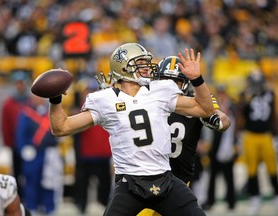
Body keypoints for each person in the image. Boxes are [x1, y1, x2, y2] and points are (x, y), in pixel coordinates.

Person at [47, 42, 218, 216]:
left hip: (166, 179)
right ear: (123, 68)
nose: (146, 67)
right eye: (140, 62)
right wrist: (55, 99)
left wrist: (197, 80)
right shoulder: (105, 100)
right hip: (129, 184)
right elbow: (61, 127)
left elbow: (205, 109)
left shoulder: (161, 90)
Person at [137, 56, 231, 216]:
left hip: (178, 179)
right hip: (148, 177)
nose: (168, 85)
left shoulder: (196, 101)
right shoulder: (146, 97)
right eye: (165, 79)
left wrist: (213, 119)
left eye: (175, 81)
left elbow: (224, 120)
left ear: (186, 83)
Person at [237, 69, 278, 215]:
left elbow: (273, 115)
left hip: (266, 136)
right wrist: (239, 136)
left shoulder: (270, 94)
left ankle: (276, 196)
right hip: (250, 136)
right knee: (252, 169)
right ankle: (255, 198)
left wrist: (275, 135)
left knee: (272, 168)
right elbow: (240, 117)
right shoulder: (244, 95)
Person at [16, 94, 63, 216]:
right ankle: (32, 208)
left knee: (49, 182)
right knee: (32, 181)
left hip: (49, 152)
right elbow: (21, 134)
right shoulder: (27, 113)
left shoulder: (51, 112)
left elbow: (59, 128)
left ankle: (49, 208)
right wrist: (24, 148)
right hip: (33, 153)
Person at [73, 78, 113, 214]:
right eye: (86, 91)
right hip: (86, 156)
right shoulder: (79, 110)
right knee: (83, 187)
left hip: (103, 155)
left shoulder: (106, 107)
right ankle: (81, 207)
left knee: (104, 188)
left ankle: (104, 207)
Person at [201, 84, 237, 211]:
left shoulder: (232, 106)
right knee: (213, 176)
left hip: (228, 144)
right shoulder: (214, 106)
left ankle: (231, 201)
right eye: (220, 93)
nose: (221, 96)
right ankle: (211, 201)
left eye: (223, 93)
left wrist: (235, 144)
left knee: (229, 176)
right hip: (215, 145)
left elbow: (236, 125)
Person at [1, 70, 31, 197]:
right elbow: (5, 124)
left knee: (30, 172)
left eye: (22, 83)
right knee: (17, 171)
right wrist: (8, 142)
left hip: (30, 144)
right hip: (15, 144)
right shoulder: (9, 104)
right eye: (18, 83)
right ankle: (18, 197)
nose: (20, 85)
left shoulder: (30, 102)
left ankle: (30, 198)